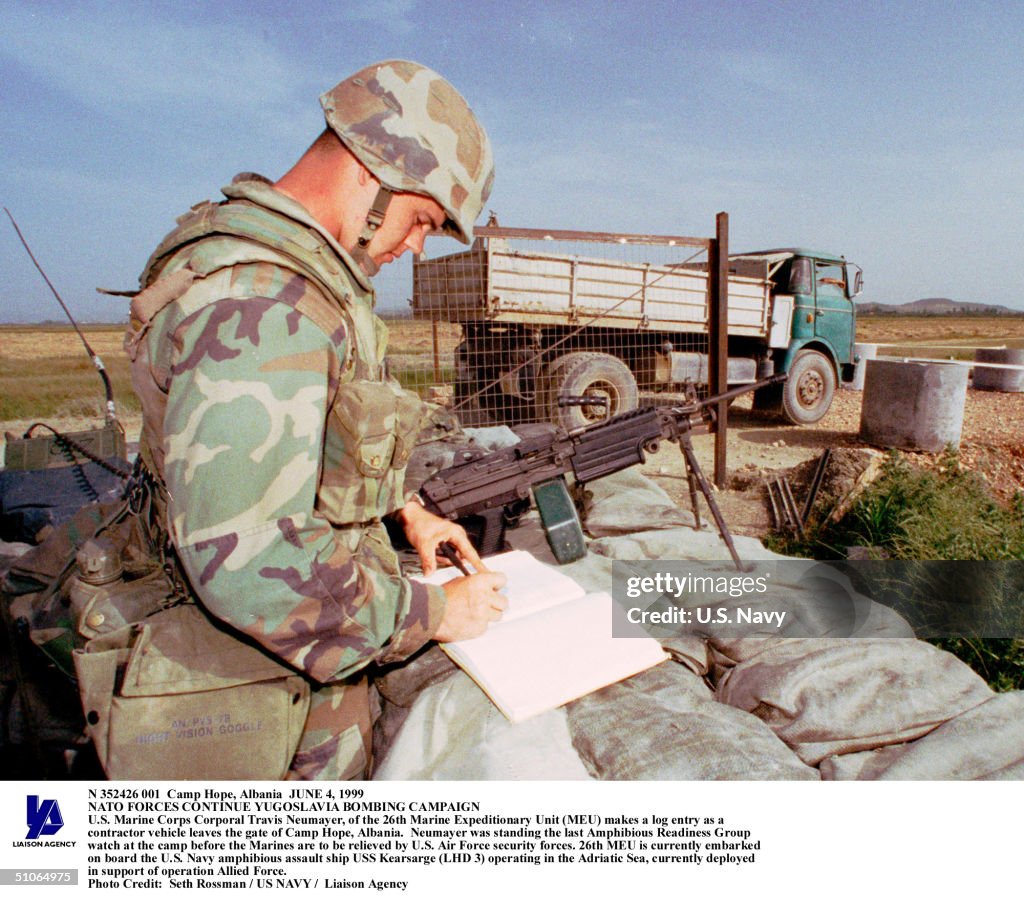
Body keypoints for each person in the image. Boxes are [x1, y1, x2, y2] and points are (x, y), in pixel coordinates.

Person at [124, 60, 507, 779]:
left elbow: (313, 439)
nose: (417, 245)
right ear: (374, 169)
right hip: (260, 690)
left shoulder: (307, 280)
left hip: (296, 659)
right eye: (422, 218)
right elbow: (245, 560)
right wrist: (433, 615)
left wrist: (407, 511)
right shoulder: (264, 304)